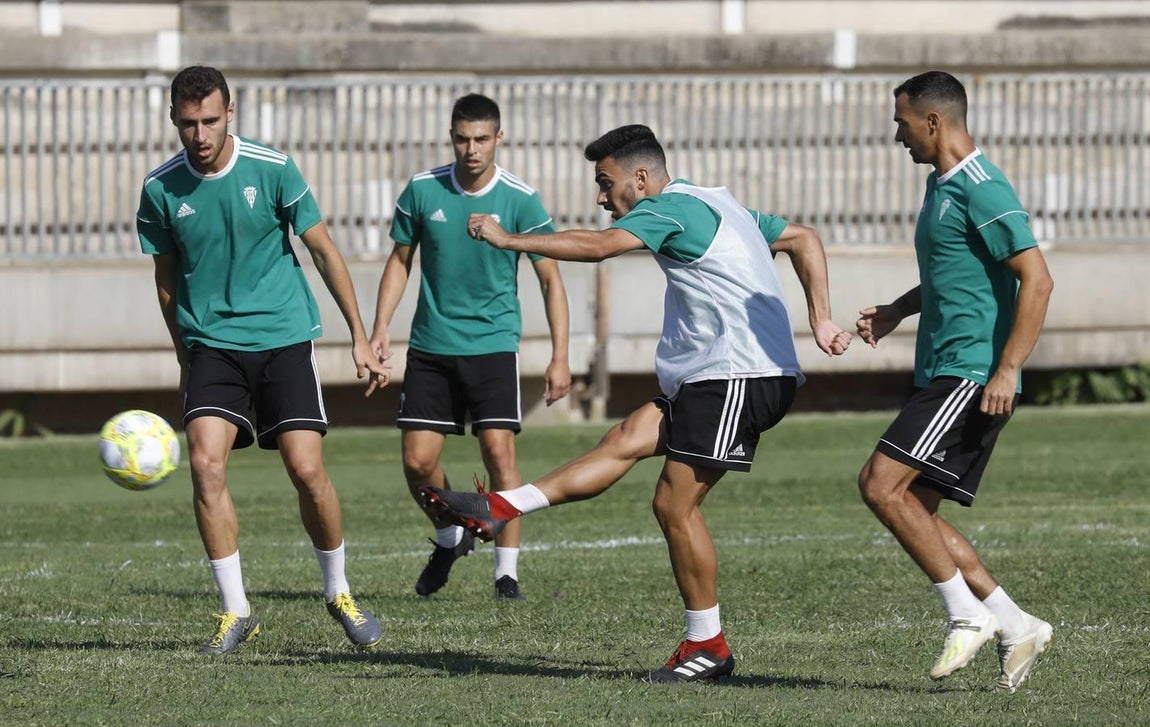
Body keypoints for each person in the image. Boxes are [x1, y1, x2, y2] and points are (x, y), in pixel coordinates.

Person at [421, 123, 852, 681]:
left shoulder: (669, 209)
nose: (602, 198)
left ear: (641, 178)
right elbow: (804, 238)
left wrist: (509, 241)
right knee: (623, 440)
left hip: (736, 374)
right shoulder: (715, 202)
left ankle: (708, 646)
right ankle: (500, 508)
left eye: (606, 183)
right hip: (716, 375)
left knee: (674, 505)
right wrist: (820, 318)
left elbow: (601, 247)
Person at [136, 65, 388, 654]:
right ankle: (236, 611)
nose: (200, 135)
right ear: (173, 119)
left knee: (306, 470)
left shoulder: (273, 168)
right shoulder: (159, 189)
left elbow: (323, 251)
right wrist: (184, 353)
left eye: (211, 121)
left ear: (231, 113)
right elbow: (166, 279)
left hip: (283, 336)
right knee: (205, 465)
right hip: (211, 345)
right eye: (189, 123)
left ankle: (339, 593)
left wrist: (358, 334)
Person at [855, 71, 1055, 691]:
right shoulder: (939, 185)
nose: (898, 135)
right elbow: (954, 270)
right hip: (944, 369)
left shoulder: (982, 187)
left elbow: (1038, 279)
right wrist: (898, 309)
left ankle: (967, 615)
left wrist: (1007, 369)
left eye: (902, 123)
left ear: (933, 121)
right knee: (915, 509)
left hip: (971, 374)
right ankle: (1017, 624)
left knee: (880, 485)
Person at [366, 93, 571, 601]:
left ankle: (507, 575)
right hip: (431, 345)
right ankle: (451, 536)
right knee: (417, 462)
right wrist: (379, 327)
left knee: (499, 451)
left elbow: (551, 279)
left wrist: (560, 356)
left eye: (481, 139)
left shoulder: (520, 199)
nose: (471, 149)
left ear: (499, 137)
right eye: (462, 139)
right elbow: (399, 261)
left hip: (493, 343)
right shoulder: (422, 189)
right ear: (451, 137)